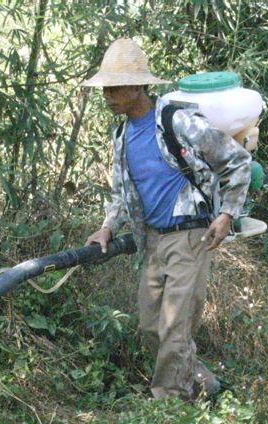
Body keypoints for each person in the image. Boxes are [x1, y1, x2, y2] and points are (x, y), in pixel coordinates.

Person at [82, 38, 251, 400]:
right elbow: (121, 193)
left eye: (113, 88)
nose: (107, 96)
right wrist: (107, 227)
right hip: (154, 241)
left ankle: (168, 409)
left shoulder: (177, 121)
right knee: (150, 327)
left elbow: (236, 160)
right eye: (105, 88)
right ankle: (208, 386)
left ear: (137, 86)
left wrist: (226, 214)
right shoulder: (121, 135)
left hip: (190, 236)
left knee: (175, 328)